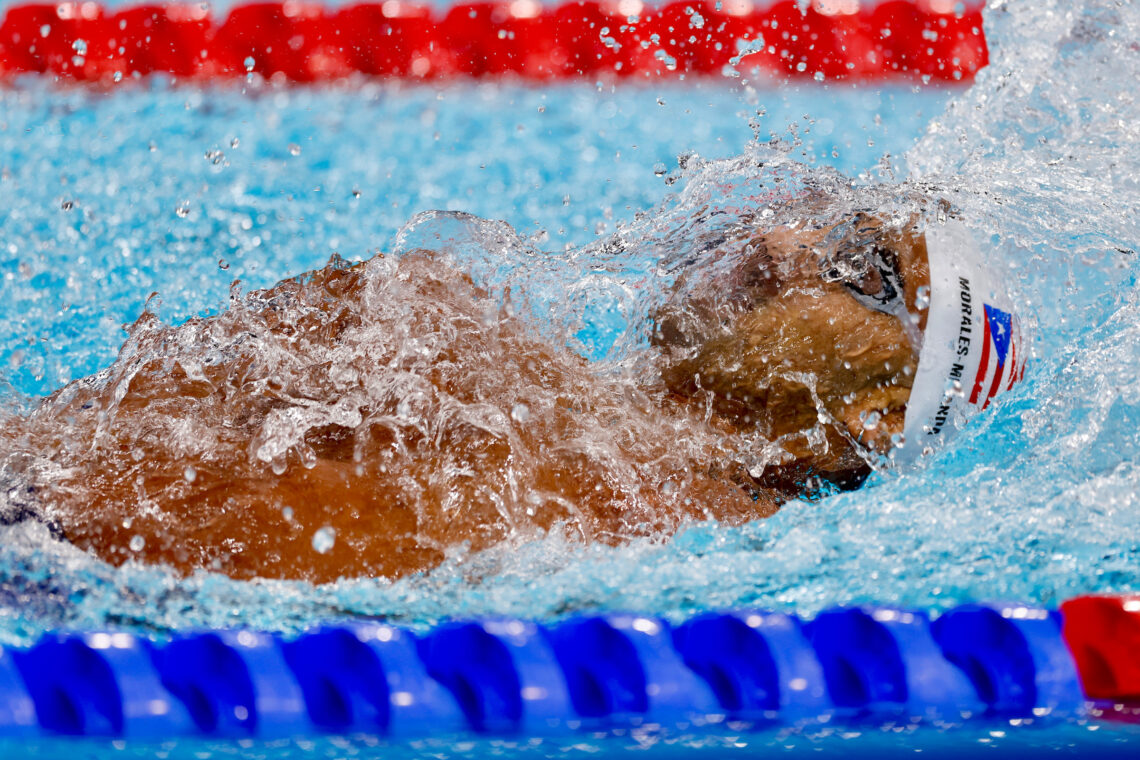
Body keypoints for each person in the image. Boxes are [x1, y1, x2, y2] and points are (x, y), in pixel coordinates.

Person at [0, 192, 1019, 584]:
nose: (785, 238)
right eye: (826, 212)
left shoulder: (609, 512)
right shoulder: (508, 361)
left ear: (865, 425)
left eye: (862, 268)